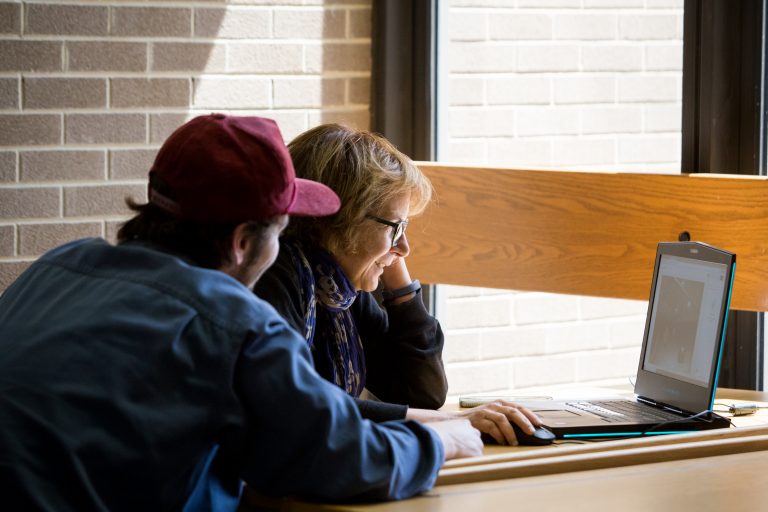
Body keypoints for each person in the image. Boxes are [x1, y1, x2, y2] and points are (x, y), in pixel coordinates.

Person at [0, 114, 483, 512]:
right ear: (242, 243)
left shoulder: (58, 266)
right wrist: (441, 442)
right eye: (281, 233)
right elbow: (336, 456)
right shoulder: (232, 323)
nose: (286, 249)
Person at [253, 124, 542, 446]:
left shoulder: (340, 293)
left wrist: (396, 275)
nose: (405, 246)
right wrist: (450, 420)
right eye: (396, 226)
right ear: (342, 220)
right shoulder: (274, 278)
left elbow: (421, 393)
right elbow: (302, 405)